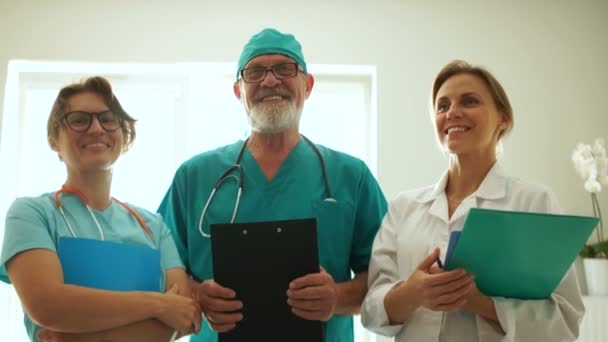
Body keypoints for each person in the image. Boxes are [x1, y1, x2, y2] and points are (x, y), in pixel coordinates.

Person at [158, 28, 388, 342]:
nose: (269, 81)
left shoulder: (351, 176)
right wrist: (197, 295)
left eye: (284, 68)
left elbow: (386, 280)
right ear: (238, 91)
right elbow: (160, 272)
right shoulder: (194, 177)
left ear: (307, 85)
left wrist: (337, 295)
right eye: (255, 72)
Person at [361, 60, 585, 341]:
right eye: (442, 106)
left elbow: (566, 318)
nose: (452, 112)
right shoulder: (403, 207)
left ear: (502, 118)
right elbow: (371, 312)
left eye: (469, 101)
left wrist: (484, 305)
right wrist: (412, 293)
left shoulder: (534, 201)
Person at [0, 76, 201, 342]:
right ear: (53, 139)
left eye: (108, 119)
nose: (96, 129)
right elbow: (47, 306)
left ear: (124, 136)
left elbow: (186, 316)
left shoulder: (153, 226)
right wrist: (159, 305)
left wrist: (75, 336)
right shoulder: (32, 214)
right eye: (79, 120)